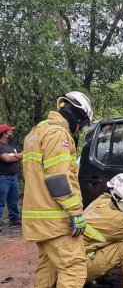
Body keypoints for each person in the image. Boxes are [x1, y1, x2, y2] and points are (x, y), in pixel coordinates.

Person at [22, 91, 93, 288]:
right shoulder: (58, 133)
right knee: (74, 268)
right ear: (77, 114)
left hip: (37, 218)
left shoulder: (35, 133)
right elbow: (57, 179)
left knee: (48, 267)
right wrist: (76, 212)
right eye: (83, 122)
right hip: (55, 218)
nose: (80, 128)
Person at [83, 173, 123, 288]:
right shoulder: (116, 219)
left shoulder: (102, 202)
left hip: (72, 259)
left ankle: (91, 282)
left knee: (110, 241)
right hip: (81, 266)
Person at [0, 124, 23, 226]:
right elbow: (6, 159)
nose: (11, 133)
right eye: (9, 132)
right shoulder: (0, 146)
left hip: (13, 176)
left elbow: (23, 154)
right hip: (2, 178)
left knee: (13, 200)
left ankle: (14, 219)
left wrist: (13, 155)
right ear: (4, 134)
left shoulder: (12, 145)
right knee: (1, 201)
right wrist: (16, 156)